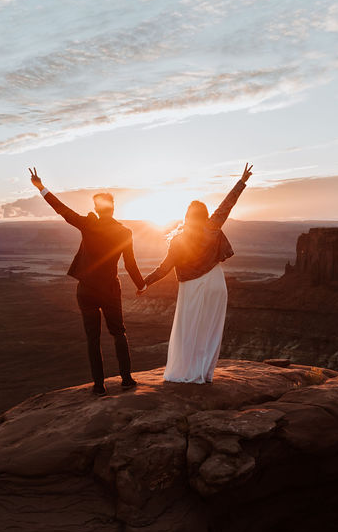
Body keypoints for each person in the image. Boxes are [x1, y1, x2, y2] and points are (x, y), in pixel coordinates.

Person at [28, 168, 146, 396]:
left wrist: (41, 187)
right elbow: (130, 265)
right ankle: (126, 380)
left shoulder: (88, 224)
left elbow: (62, 210)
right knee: (119, 333)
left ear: (96, 208)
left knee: (92, 339)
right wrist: (141, 285)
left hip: (86, 290)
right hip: (110, 289)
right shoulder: (125, 232)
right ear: (113, 208)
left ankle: (99, 386)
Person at [138, 164, 253, 384]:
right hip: (215, 283)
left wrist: (145, 283)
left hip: (192, 287)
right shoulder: (212, 226)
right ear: (205, 215)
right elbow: (227, 205)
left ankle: (188, 372)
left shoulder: (178, 240)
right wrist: (241, 182)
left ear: (187, 216)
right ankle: (204, 373)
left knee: (188, 329)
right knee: (209, 328)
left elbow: (164, 268)